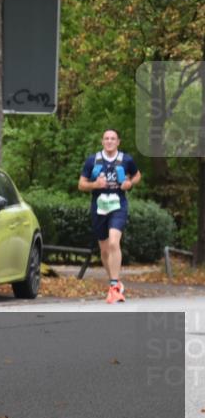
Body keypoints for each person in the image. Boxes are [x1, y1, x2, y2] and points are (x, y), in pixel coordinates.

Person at [77, 128, 141, 304]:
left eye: (113, 138)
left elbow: (137, 176)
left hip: (118, 205)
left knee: (114, 242)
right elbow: (81, 184)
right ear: (102, 141)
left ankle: (113, 287)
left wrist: (129, 183)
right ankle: (115, 281)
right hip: (99, 206)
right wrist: (95, 184)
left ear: (118, 142)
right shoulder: (93, 160)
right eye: (106, 138)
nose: (110, 141)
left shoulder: (126, 160)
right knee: (104, 250)